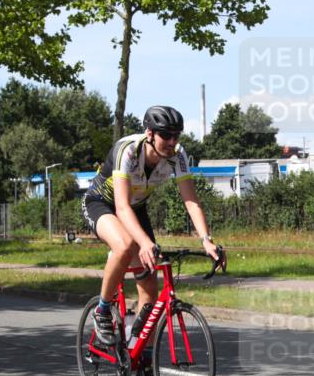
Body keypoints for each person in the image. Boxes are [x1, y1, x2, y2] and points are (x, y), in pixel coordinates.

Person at [82, 105, 224, 352]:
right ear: (150, 133)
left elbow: (190, 200)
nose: (172, 141)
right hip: (103, 204)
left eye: (176, 135)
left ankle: (137, 349)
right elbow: (122, 207)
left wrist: (206, 239)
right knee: (125, 245)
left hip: (136, 209)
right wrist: (145, 243)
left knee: (150, 292)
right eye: (165, 135)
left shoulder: (177, 156)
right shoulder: (127, 151)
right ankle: (102, 311)